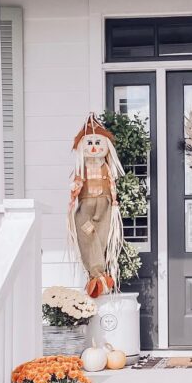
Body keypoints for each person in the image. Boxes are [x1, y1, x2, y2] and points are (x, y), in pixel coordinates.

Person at [67, 114, 124, 297]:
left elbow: (112, 184)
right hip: (86, 204)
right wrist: (74, 191)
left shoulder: (106, 167)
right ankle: (97, 274)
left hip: (104, 204)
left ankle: (97, 276)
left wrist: (114, 201)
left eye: (97, 143)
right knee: (86, 231)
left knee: (102, 235)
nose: (93, 147)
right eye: (89, 143)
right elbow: (77, 183)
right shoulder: (81, 168)